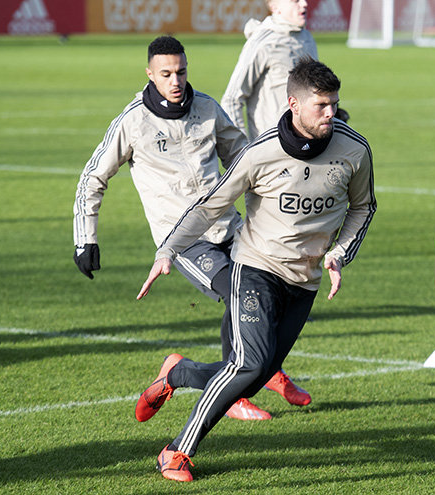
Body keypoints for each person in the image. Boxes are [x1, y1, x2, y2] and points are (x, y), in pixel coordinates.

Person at [134, 58, 376, 483]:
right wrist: (168, 249)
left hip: (305, 282)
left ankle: (178, 372)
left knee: (251, 376)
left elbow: (364, 207)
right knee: (249, 365)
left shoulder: (355, 150)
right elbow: (210, 206)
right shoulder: (260, 153)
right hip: (255, 268)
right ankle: (176, 451)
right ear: (293, 104)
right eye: (321, 105)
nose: (331, 113)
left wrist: (340, 253)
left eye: (335, 104)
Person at [72, 35, 310, 422]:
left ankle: (250, 374)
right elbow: (92, 178)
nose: (176, 80)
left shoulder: (207, 109)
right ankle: (234, 388)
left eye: (181, 71)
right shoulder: (133, 121)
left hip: (229, 226)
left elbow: (246, 158)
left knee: (271, 294)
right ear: (150, 74)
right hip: (183, 239)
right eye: (166, 74)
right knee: (242, 294)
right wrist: (85, 239)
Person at [221, 0, 318, 142]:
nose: (304, 4)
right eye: (295, 1)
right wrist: (241, 147)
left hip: (307, 143)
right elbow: (231, 99)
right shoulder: (263, 42)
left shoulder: (307, 38)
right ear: (275, 7)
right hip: (272, 146)